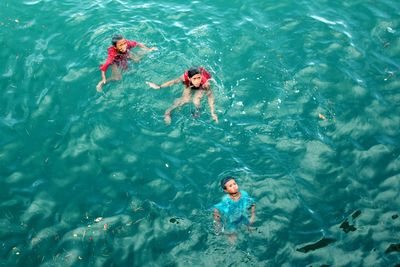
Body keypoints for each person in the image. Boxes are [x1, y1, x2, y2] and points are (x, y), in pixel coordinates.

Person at [146, 67, 218, 124]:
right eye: (194, 79)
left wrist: (212, 112)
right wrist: (159, 86)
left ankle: (198, 112)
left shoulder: (205, 83)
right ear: (190, 78)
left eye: (199, 78)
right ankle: (168, 112)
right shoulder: (185, 77)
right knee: (185, 99)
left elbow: (210, 97)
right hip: (190, 83)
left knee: (196, 101)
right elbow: (173, 82)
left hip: (201, 86)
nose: (197, 81)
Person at [213, 176, 255, 243]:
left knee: (250, 231)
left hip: (243, 216)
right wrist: (217, 222)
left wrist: (253, 215)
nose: (234, 186)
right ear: (226, 190)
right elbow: (217, 209)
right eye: (230, 186)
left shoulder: (244, 193)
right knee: (233, 241)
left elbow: (252, 203)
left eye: (234, 184)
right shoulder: (226, 200)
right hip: (232, 221)